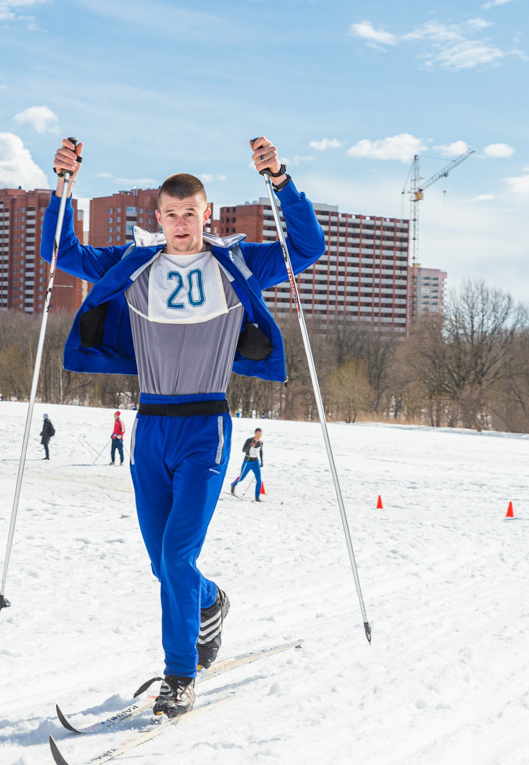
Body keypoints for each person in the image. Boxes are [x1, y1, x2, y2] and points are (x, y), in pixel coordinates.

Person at [43, 136, 324, 717]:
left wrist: (281, 180)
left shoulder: (236, 262)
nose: (180, 223)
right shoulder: (133, 264)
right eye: (170, 214)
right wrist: (62, 184)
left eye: (190, 214)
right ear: (158, 218)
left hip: (205, 428)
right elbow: (58, 248)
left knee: (174, 556)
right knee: (165, 564)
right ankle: (209, 600)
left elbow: (308, 246)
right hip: (150, 427)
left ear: (207, 214)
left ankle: (180, 675)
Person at [229, 428, 264, 500]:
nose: (259, 435)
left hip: (256, 462)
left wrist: (262, 461)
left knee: (259, 479)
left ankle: (257, 497)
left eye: (260, 434)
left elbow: (261, 451)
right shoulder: (249, 440)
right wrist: (250, 445)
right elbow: (243, 450)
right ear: (255, 433)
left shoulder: (261, 442)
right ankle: (233, 484)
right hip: (247, 462)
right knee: (241, 478)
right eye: (257, 434)